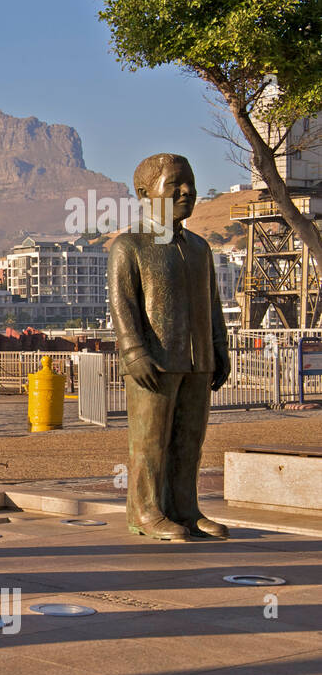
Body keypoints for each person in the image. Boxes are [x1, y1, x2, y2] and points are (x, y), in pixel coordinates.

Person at [109, 153, 230, 541]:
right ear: (145, 193)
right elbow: (122, 305)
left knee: (189, 441)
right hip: (155, 363)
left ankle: (186, 509)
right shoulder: (130, 245)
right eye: (175, 184)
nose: (187, 191)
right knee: (150, 443)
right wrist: (133, 352)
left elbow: (212, 304)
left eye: (190, 184)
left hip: (197, 362)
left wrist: (219, 348)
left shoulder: (199, 248)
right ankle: (146, 511)